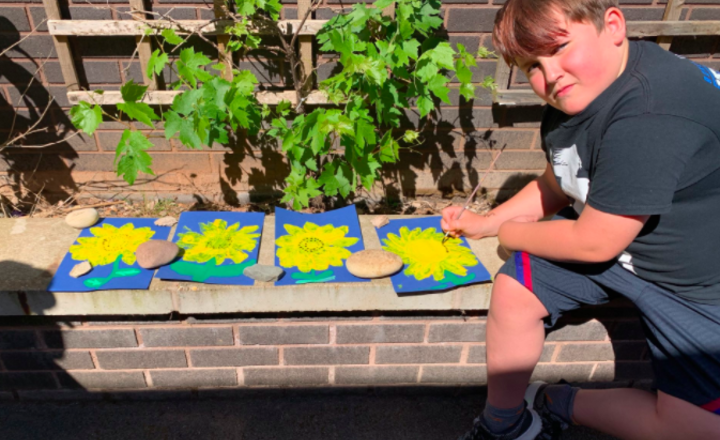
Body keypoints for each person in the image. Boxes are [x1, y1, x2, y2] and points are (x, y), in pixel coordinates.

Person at [441, 0, 720, 439]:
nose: (549, 75)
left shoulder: (651, 113)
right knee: (515, 293)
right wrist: (488, 221)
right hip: (623, 244)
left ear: (612, 25)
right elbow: (561, 182)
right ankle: (504, 423)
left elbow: (594, 243)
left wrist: (513, 233)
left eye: (560, 48)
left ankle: (555, 401)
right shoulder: (591, 87)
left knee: (693, 431)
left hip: (697, 286)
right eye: (532, 64)